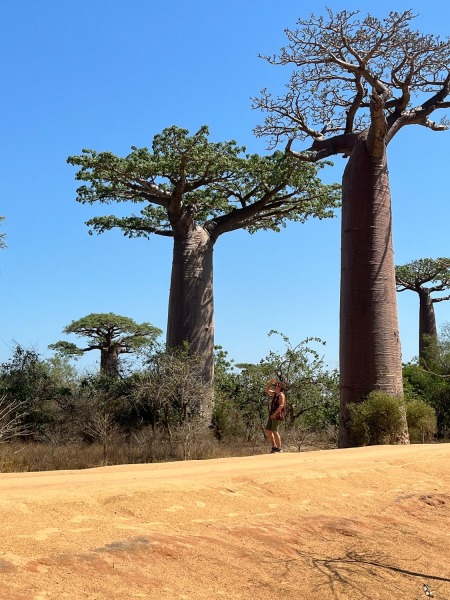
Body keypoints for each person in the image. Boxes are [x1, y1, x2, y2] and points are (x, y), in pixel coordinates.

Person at [264, 377, 286, 453]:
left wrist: (274, 414)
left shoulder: (281, 395)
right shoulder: (274, 394)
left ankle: (279, 448)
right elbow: (266, 390)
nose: (275, 386)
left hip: (277, 415)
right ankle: (274, 447)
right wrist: (270, 383)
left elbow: (281, 405)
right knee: (268, 430)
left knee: (274, 430)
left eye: (277, 385)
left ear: (280, 388)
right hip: (272, 414)